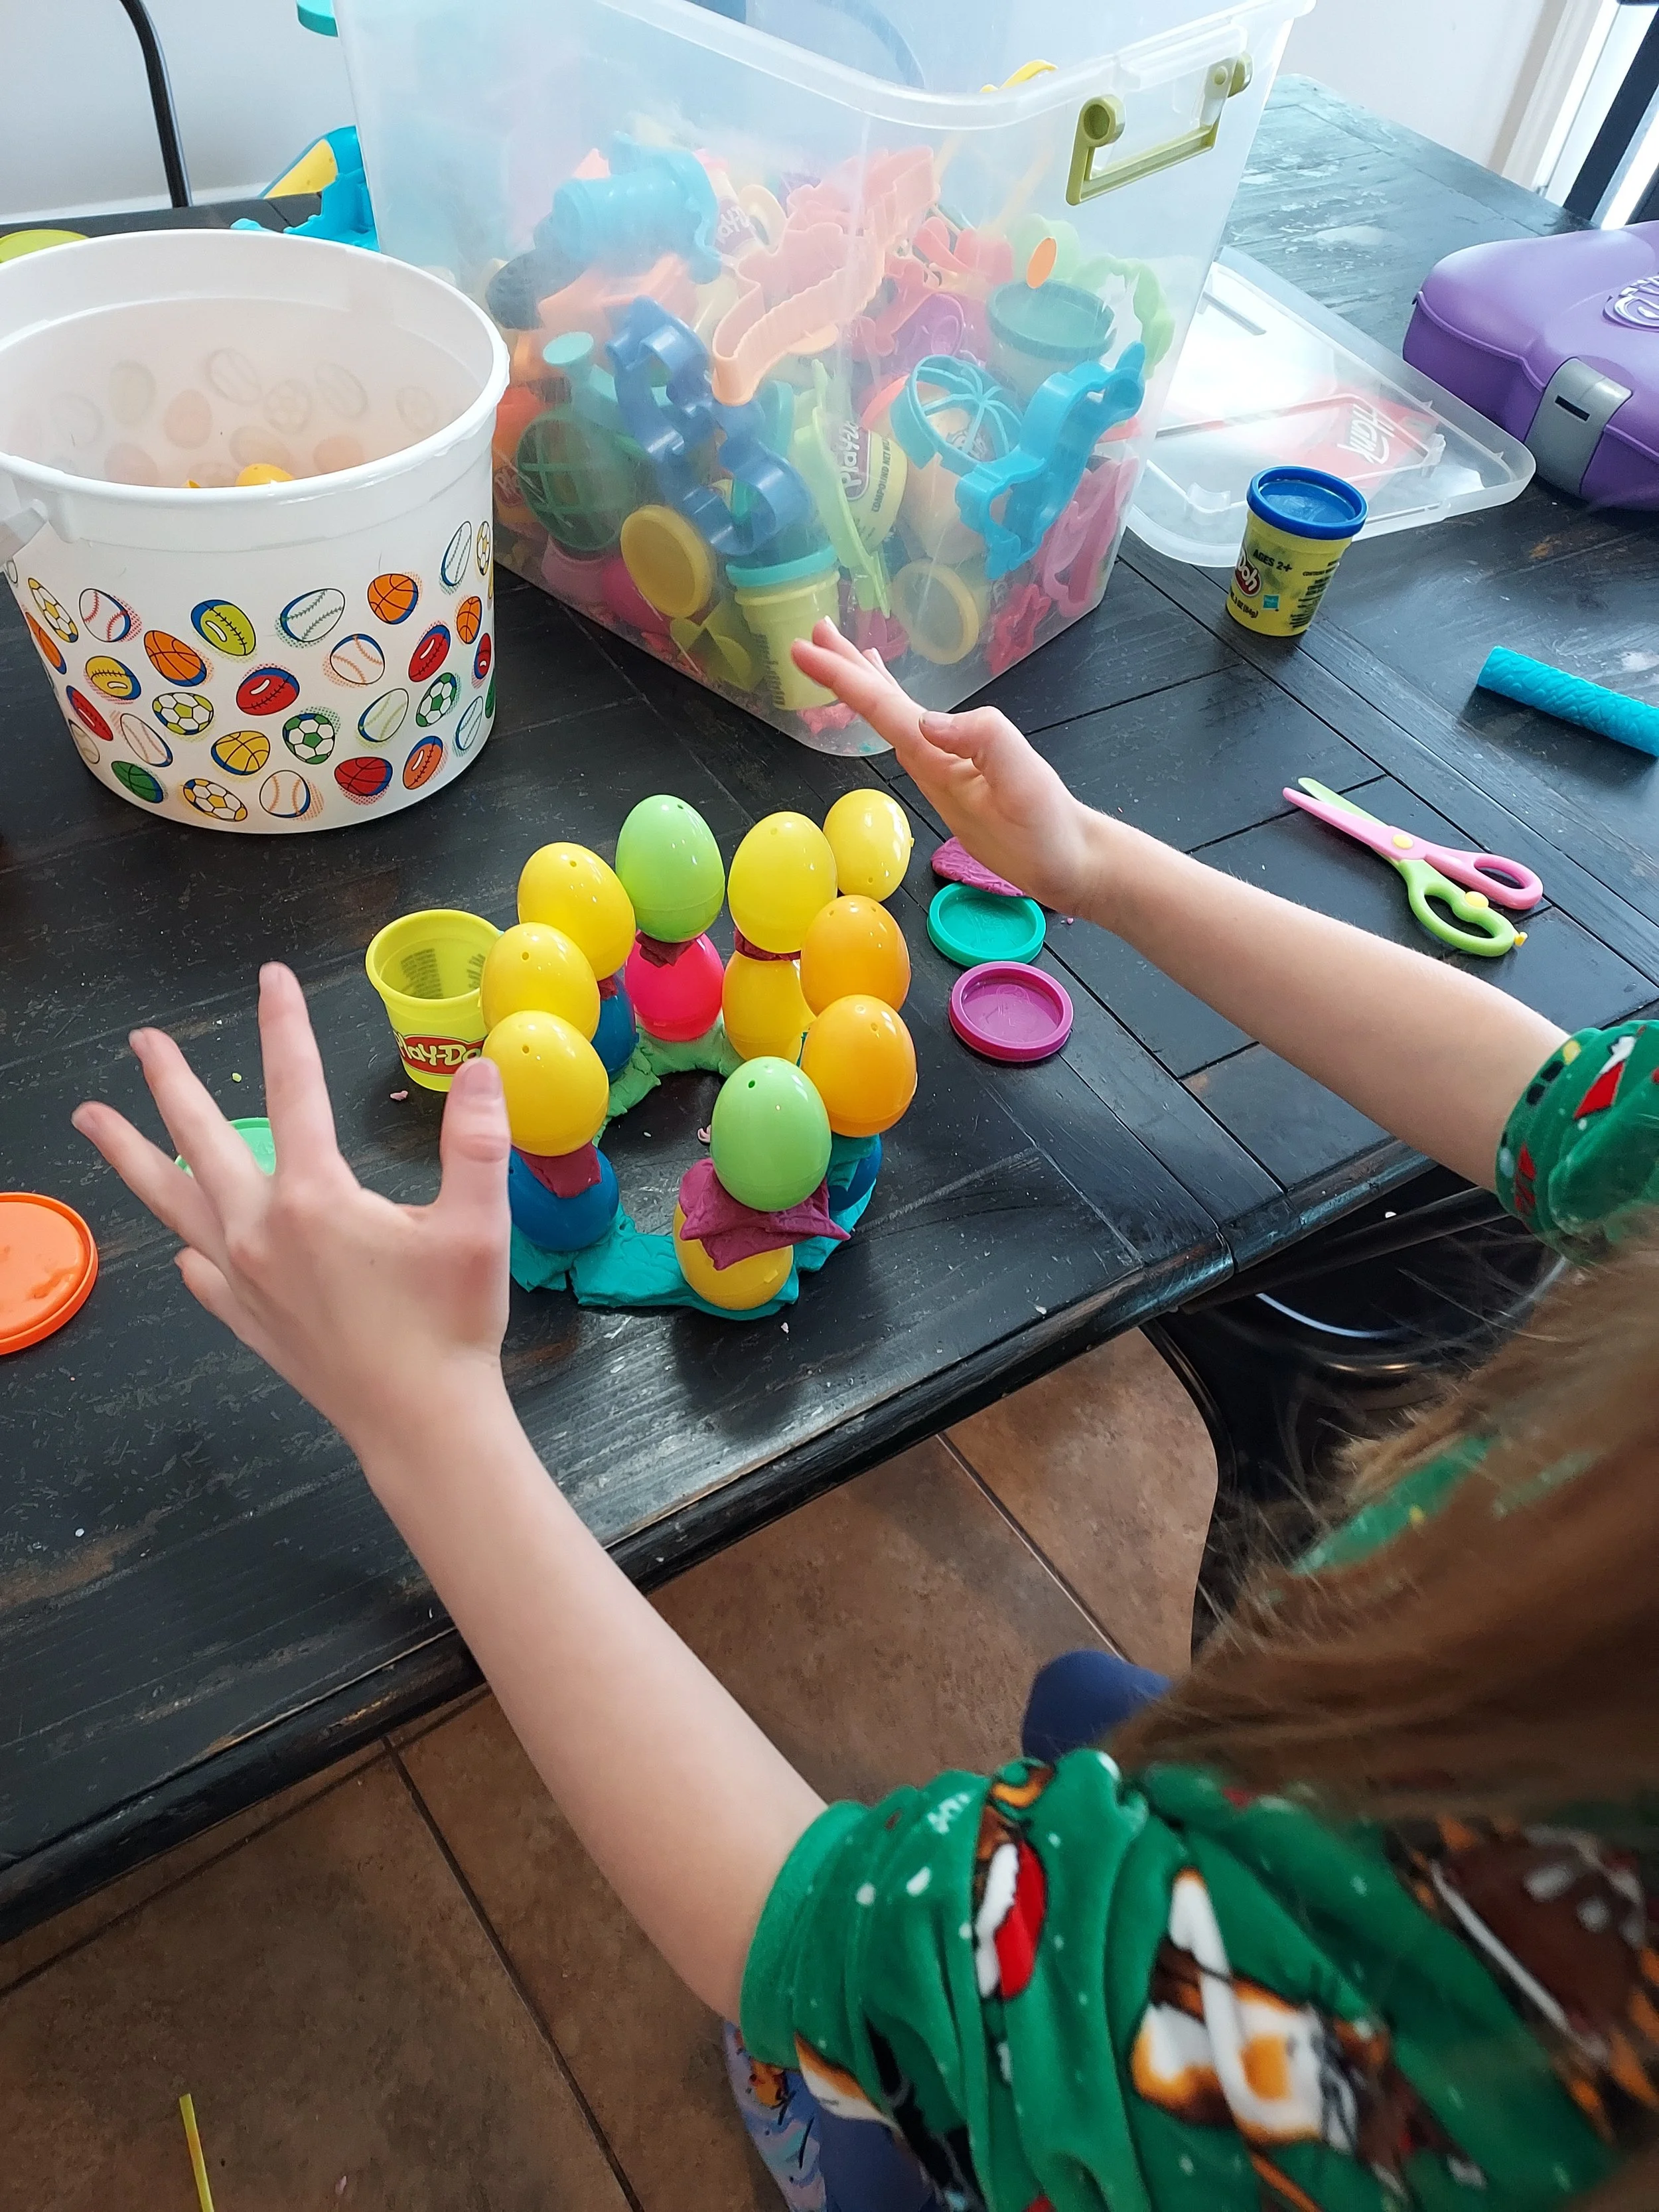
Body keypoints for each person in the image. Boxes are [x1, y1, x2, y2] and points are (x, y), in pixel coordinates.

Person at [74, 618, 1659, 2212]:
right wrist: (1089, 860)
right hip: (1330, 1801)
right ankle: (1177, 1812)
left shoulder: (1451, 2025)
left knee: (907, 2038)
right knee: (1135, 1780)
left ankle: (905, 2147)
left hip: (1169, 2082)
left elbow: (812, 1926)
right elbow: (1574, 1116)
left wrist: (419, 1413)